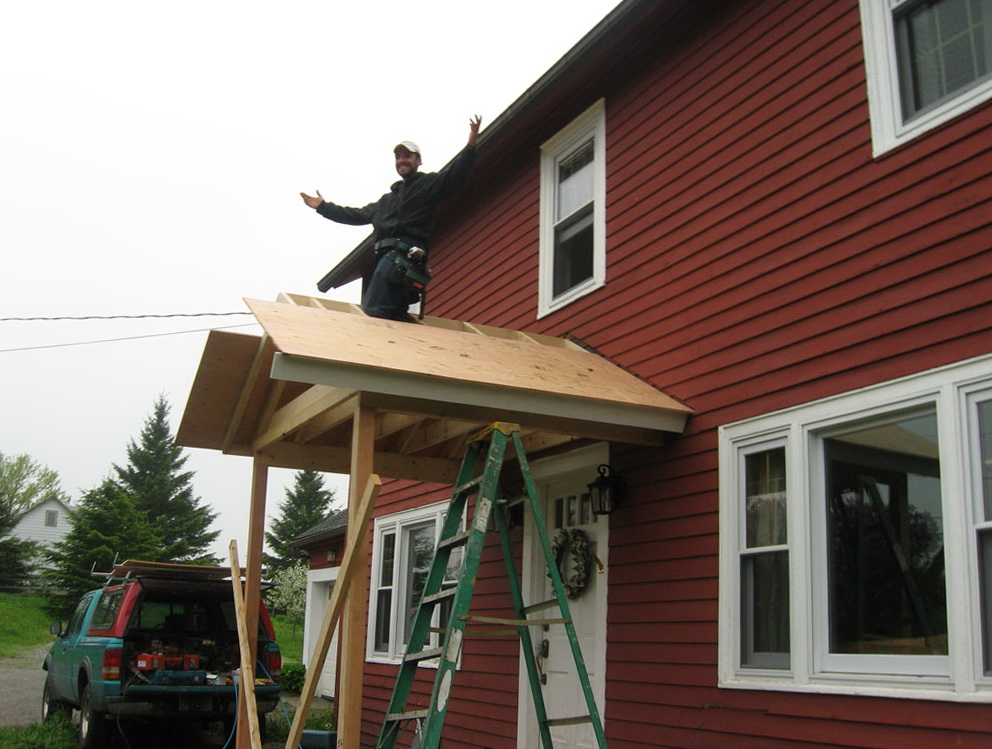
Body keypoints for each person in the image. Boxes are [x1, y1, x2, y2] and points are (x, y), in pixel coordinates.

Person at [301, 116, 482, 321]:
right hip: (386, 260)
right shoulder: (386, 202)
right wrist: (323, 207)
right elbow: (354, 215)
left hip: (402, 258)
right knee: (393, 315)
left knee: (372, 311)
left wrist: (470, 148)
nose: (402, 160)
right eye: (398, 157)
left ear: (418, 161)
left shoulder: (427, 185)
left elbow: (454, 176)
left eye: (407, 156)